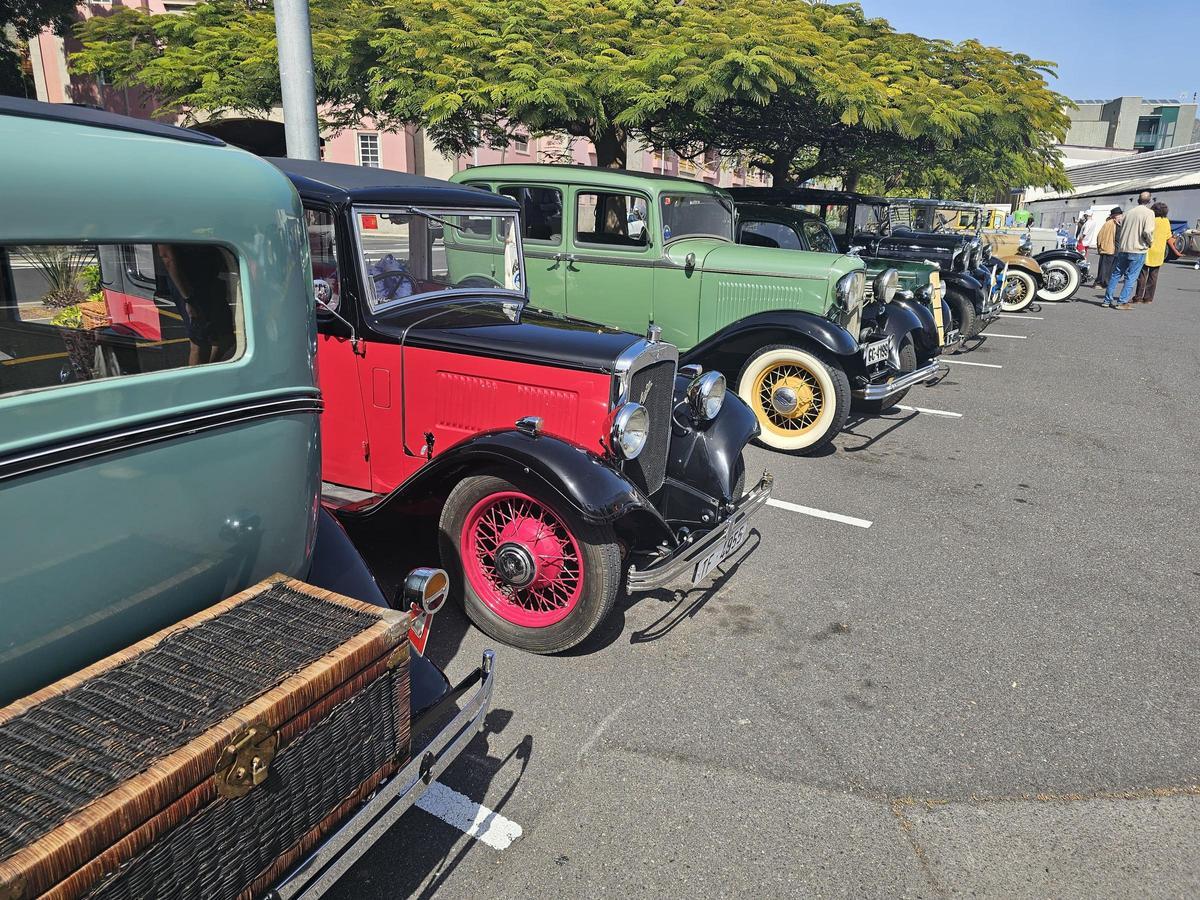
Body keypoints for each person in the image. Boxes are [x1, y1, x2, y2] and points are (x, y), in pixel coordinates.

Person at [1104, 191, 1156, 309]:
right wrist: (1150, 242)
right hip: (1138, 249)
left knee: (1116, 274)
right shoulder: (1149, 213)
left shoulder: (1128, 212)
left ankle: (1107, 300)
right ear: (1149, 201)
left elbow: (1120, 223)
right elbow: (1147, 231)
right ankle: (1122, 302)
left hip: (1123, 248)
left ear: (1138, 200)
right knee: (1131, 277)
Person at [1131, 202, 1171, 304]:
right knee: (1153, 276)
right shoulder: (1166, 221)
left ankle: (1138, 297)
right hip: (1159, 252)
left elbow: (1144, 232)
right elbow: (1168, 236)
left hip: (1148, 249)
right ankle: (1148, 298)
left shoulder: (1151, 220)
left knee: (1142, 275)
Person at [1094, 207, 1122, 291]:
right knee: (1106, 268)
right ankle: (1102, 283)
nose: (1121, 217)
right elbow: (1100, 236)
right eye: (1120, 215)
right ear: (1115, 216)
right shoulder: (1111, 224)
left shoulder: (1113, 223)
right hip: (1110, 249)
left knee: (1106, 268)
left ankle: (1102, 282)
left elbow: (1100, 236)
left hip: (1110, 249)